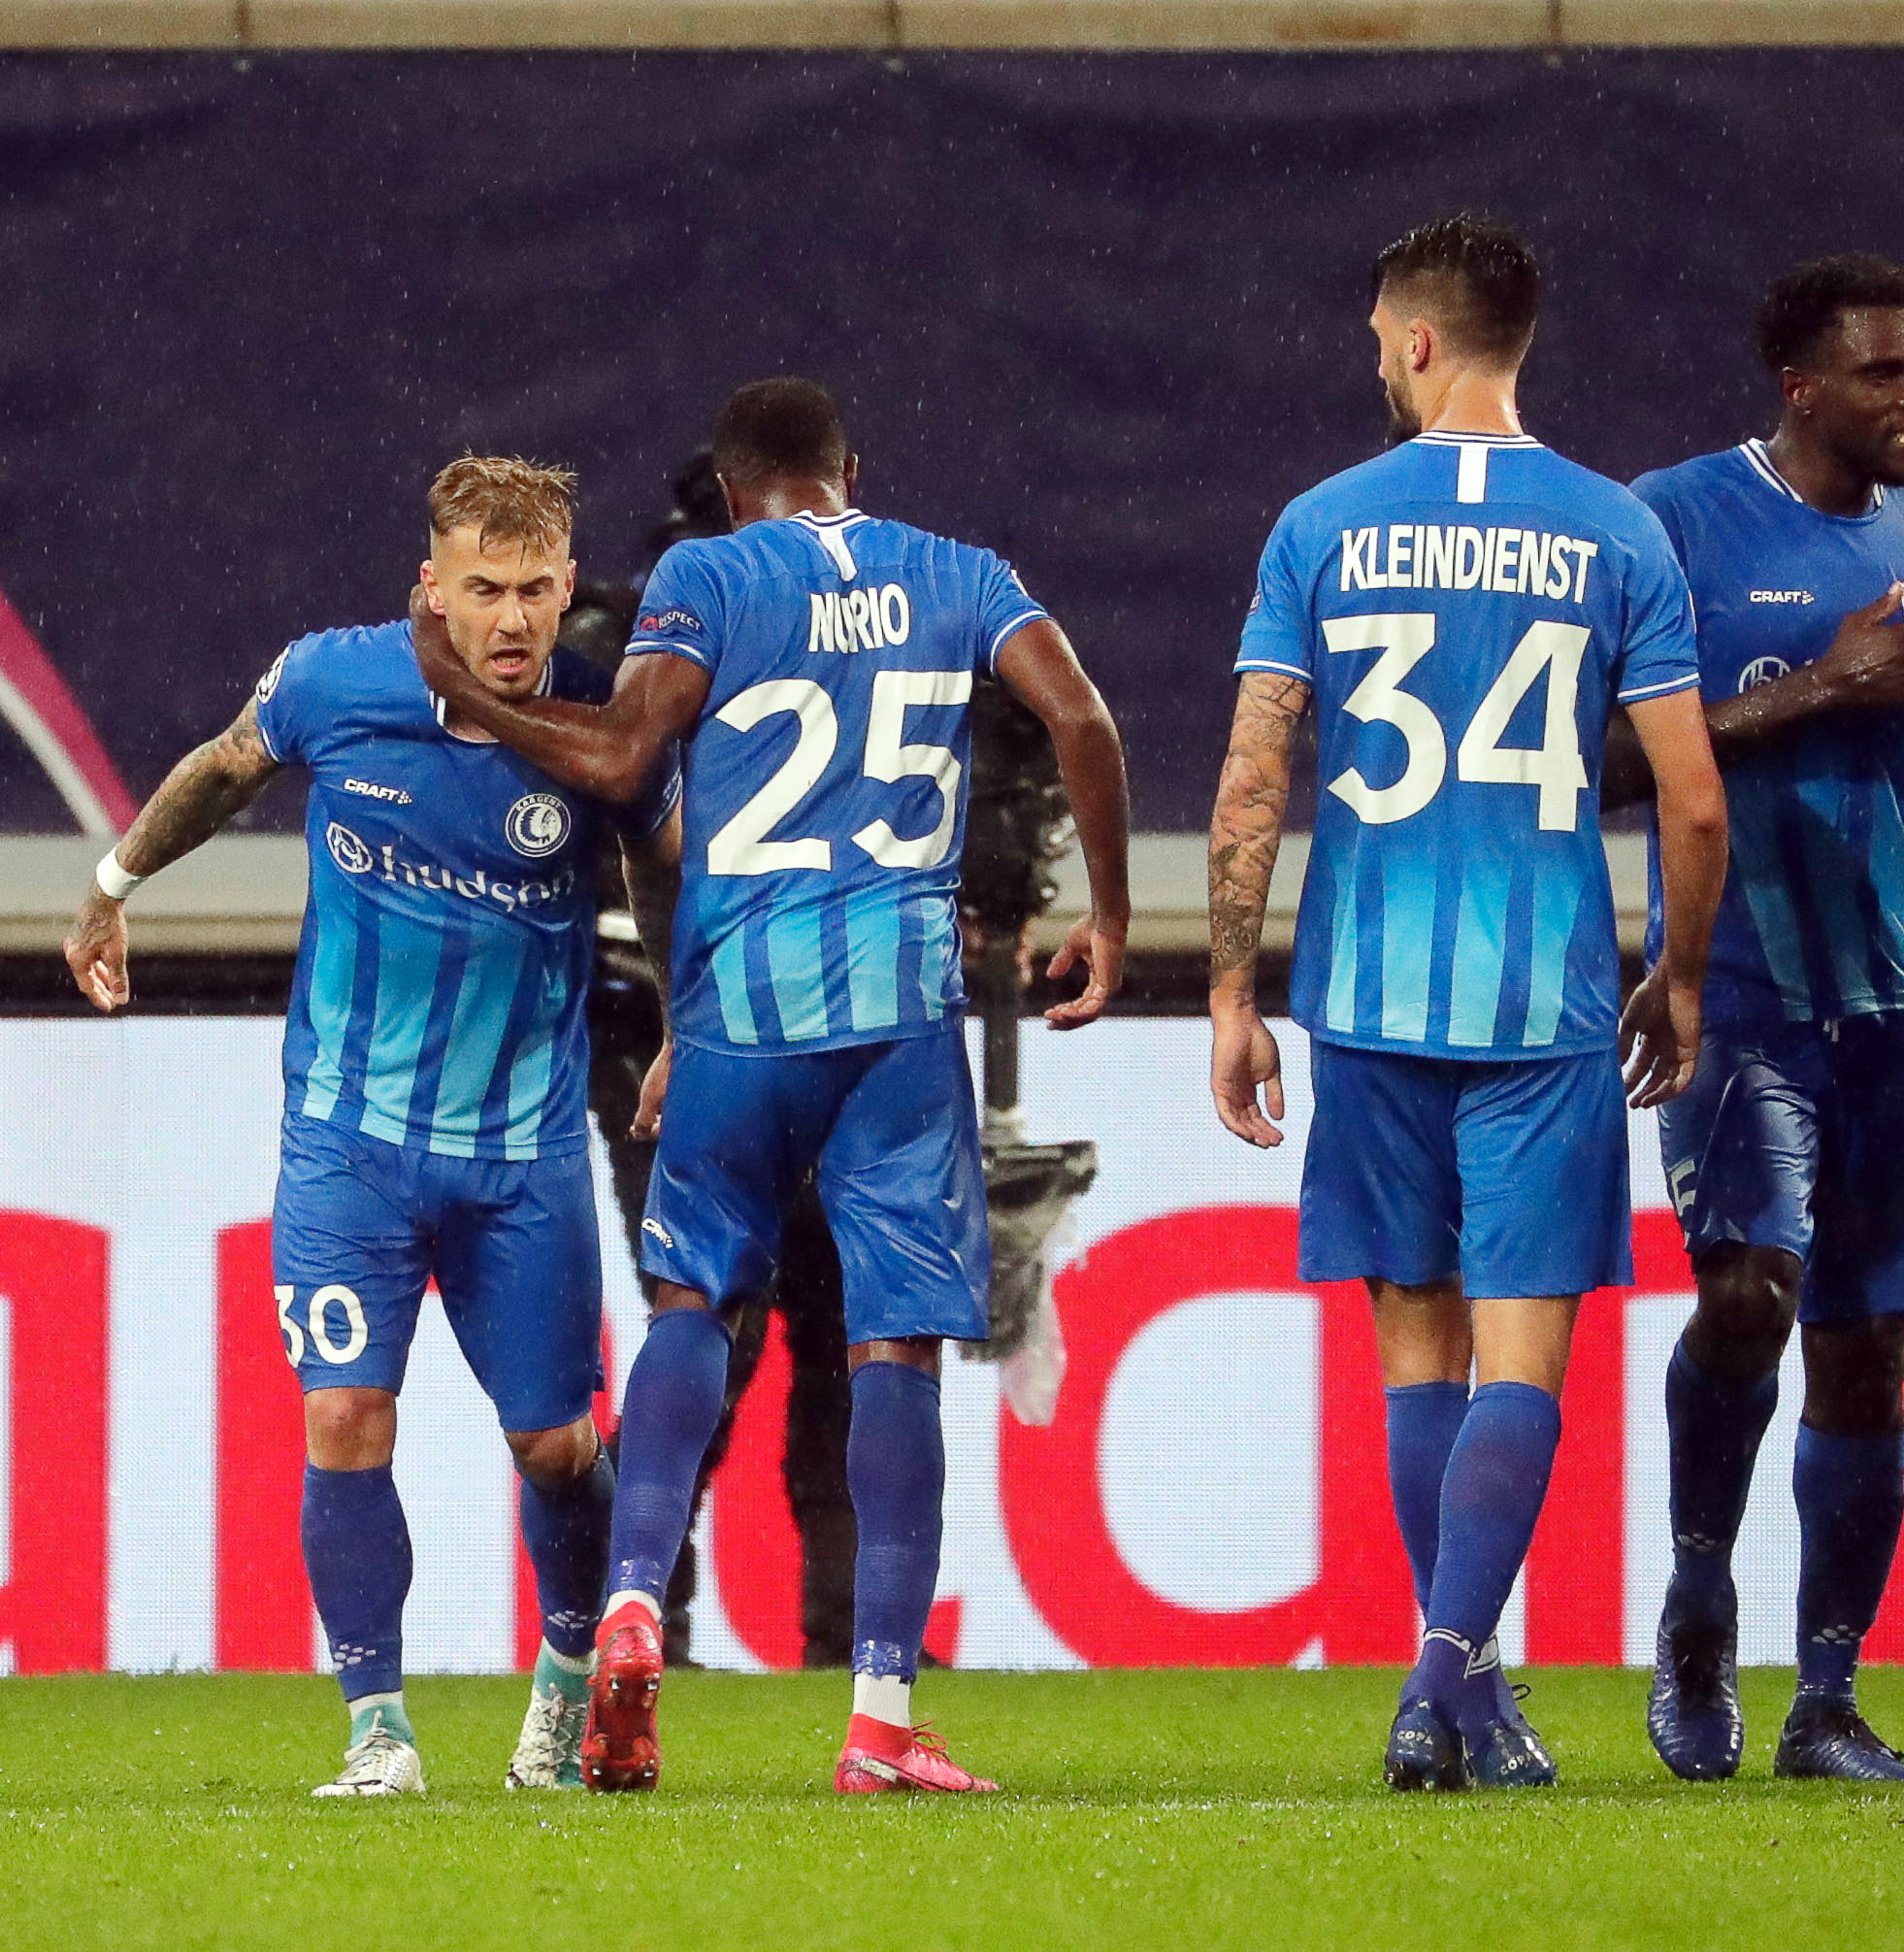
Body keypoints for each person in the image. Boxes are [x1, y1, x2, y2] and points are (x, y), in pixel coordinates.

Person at [411, 378, 1133, 1795]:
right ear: (850, 471)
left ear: (738, 492)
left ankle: (629, 1602)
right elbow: (1085, 724)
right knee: (891, 1354)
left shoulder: (708, 574)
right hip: (896, 1026)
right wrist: (1108, 918)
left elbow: (624, 757)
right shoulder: (958, 571)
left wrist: (460, 695)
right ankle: (877, 1720)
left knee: (695, 1311)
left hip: (736, 1013)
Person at [1205, 213, 1729, 1792]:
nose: (1375, 356)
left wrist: (1235, 993)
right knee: (1521, 1365)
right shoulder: (1617, 530)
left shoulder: (1321, 523)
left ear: (1422, 341)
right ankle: (1455, 1681)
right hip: (1543, 1010)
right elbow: (1693, 805)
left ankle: (1449, 1675)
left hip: (1366, 1004)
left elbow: (1253, 774)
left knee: (1415, 1356)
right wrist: (1678, 976)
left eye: (1380, 334)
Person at [63, 457, 674, 1797]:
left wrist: (686, 1024)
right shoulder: (336, 682)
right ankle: (377, 1730)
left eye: (534, 590)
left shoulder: (607, 720)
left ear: (569, 585)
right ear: (432, 590)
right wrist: (112, 884)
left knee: (557, 1446)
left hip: (522, 1154)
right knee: (343, 1416)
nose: (512, 620)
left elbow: (655, 858)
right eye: (483, 592)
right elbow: (227, 769)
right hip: (346, 1144)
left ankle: (567, 1689)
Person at [1615, 253, 1904, 1785]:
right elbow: (1601, 754)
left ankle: (1826, 1702)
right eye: (1886, 374)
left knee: (1865, 1355)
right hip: (1741, 990)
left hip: (1894, 997)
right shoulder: (1674, 518)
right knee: (1754, 1293)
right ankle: (1699, 1600)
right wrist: (1814, 688)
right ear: (1800, 385)